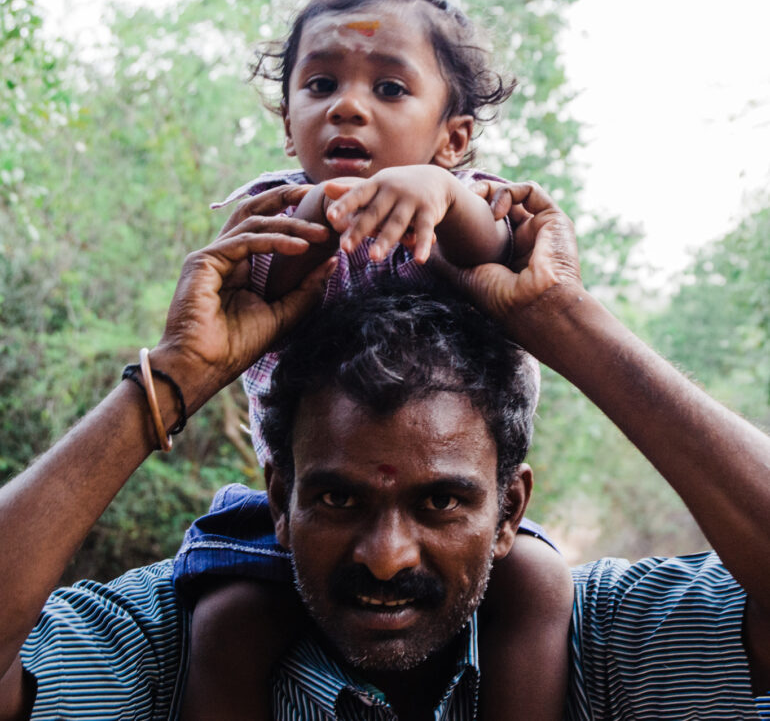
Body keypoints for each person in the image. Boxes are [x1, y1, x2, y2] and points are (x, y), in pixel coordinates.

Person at [1, 180, 769, 720]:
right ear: (277, 502)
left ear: (511, 511)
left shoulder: (599, 643)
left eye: (441, 500)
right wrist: (171, 382)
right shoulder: (163, 647)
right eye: (337, 498)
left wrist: (562, 317)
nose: (386, 556)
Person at [180, 0, 572, 721]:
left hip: (445, 491)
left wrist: (441, 193)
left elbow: (496, 254)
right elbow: (270, 278)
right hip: (303, 507)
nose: (348, 107)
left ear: (452, 136)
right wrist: (318, 214)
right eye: (321, 85)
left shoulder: (472, 203)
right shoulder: (275, 208)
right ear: (290, 122)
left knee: (539, 586)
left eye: (389, 89)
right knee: (227, 621)